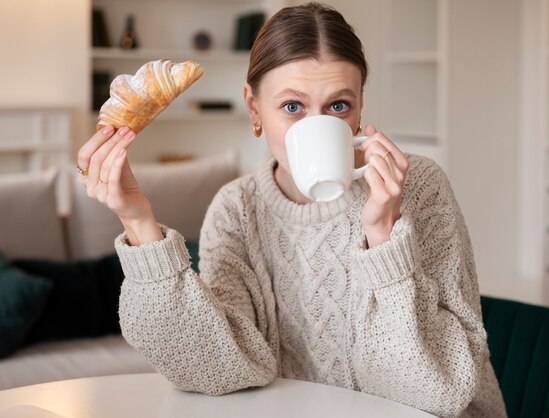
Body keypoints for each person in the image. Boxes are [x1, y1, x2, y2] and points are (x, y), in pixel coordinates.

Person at [76, 3, 506, 417]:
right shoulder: (237, 209)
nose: (316, 126)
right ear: (253, 108)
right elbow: (218, 367)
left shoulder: (418, 187)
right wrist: (137, 220)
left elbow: (434, 391)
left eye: (339, 106)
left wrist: (382, 236)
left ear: (359, 110)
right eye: (292, 107)